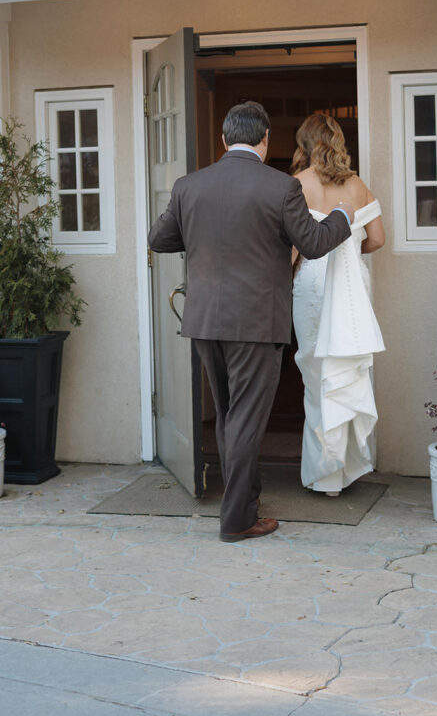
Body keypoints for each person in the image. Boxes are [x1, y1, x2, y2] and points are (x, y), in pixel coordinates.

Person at [148, 101, 352, 542]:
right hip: (257, 322)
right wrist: (341, 217)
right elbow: (314, 243)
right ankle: (237, 519)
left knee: (227, 416)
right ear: (264, 140)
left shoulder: (189, 185)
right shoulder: (280, 187)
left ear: (223, 140)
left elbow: (159, 240)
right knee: (244, 419)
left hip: (204, 319)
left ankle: (245, 500)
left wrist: (202, 233)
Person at [291, 113, 385, 495]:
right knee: (347, 370)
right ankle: (343, 471)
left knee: (317, 375)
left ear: (305, 143)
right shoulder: (358, 185)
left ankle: (324, 474)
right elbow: (377, 238)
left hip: (313, 283)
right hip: (351, 285)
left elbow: (292, 247)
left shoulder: (295, 185)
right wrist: (349, 252)